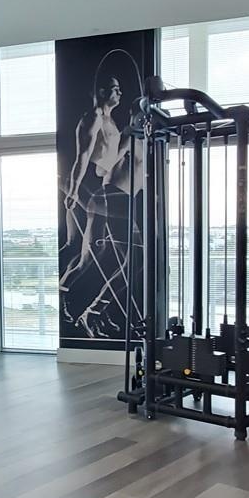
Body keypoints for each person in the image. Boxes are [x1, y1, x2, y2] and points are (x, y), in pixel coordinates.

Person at [60, 52, 142, 336]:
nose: (119, 93)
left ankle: (77, 306)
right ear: (101, 91)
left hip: (105, 188)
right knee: (99, 254)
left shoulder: (112, 121)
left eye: (120, 88)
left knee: (94, 253)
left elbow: (113, 157)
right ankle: (79, 307)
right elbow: (82, 157)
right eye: (114, 88)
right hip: (95, 188)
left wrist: (129, 138)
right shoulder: (94, 116)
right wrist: (73, 190)